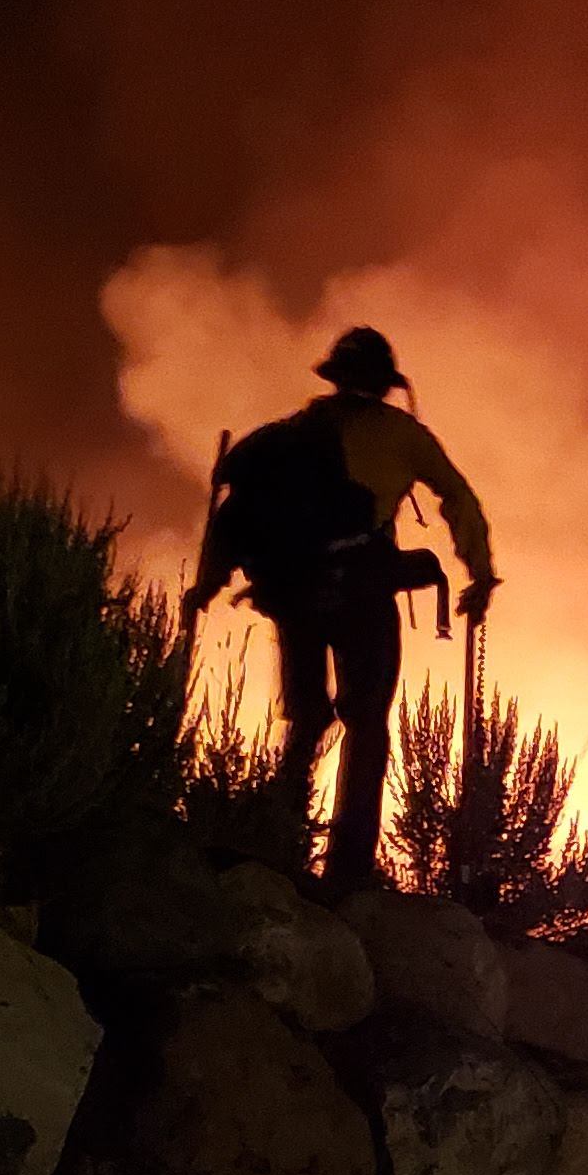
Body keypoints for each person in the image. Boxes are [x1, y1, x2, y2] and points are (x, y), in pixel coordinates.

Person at [184, 326, 494, 886]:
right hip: (362, 594)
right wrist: (479, 573)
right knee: (366, 722)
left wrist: (207, 585)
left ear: (336, 378)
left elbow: (235, 513)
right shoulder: (402, 435)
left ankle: (280, 842)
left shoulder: (294, 435)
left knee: (306, 718)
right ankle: (348, 872)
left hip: (294, 592)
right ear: (385, 385)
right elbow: (458, 498)